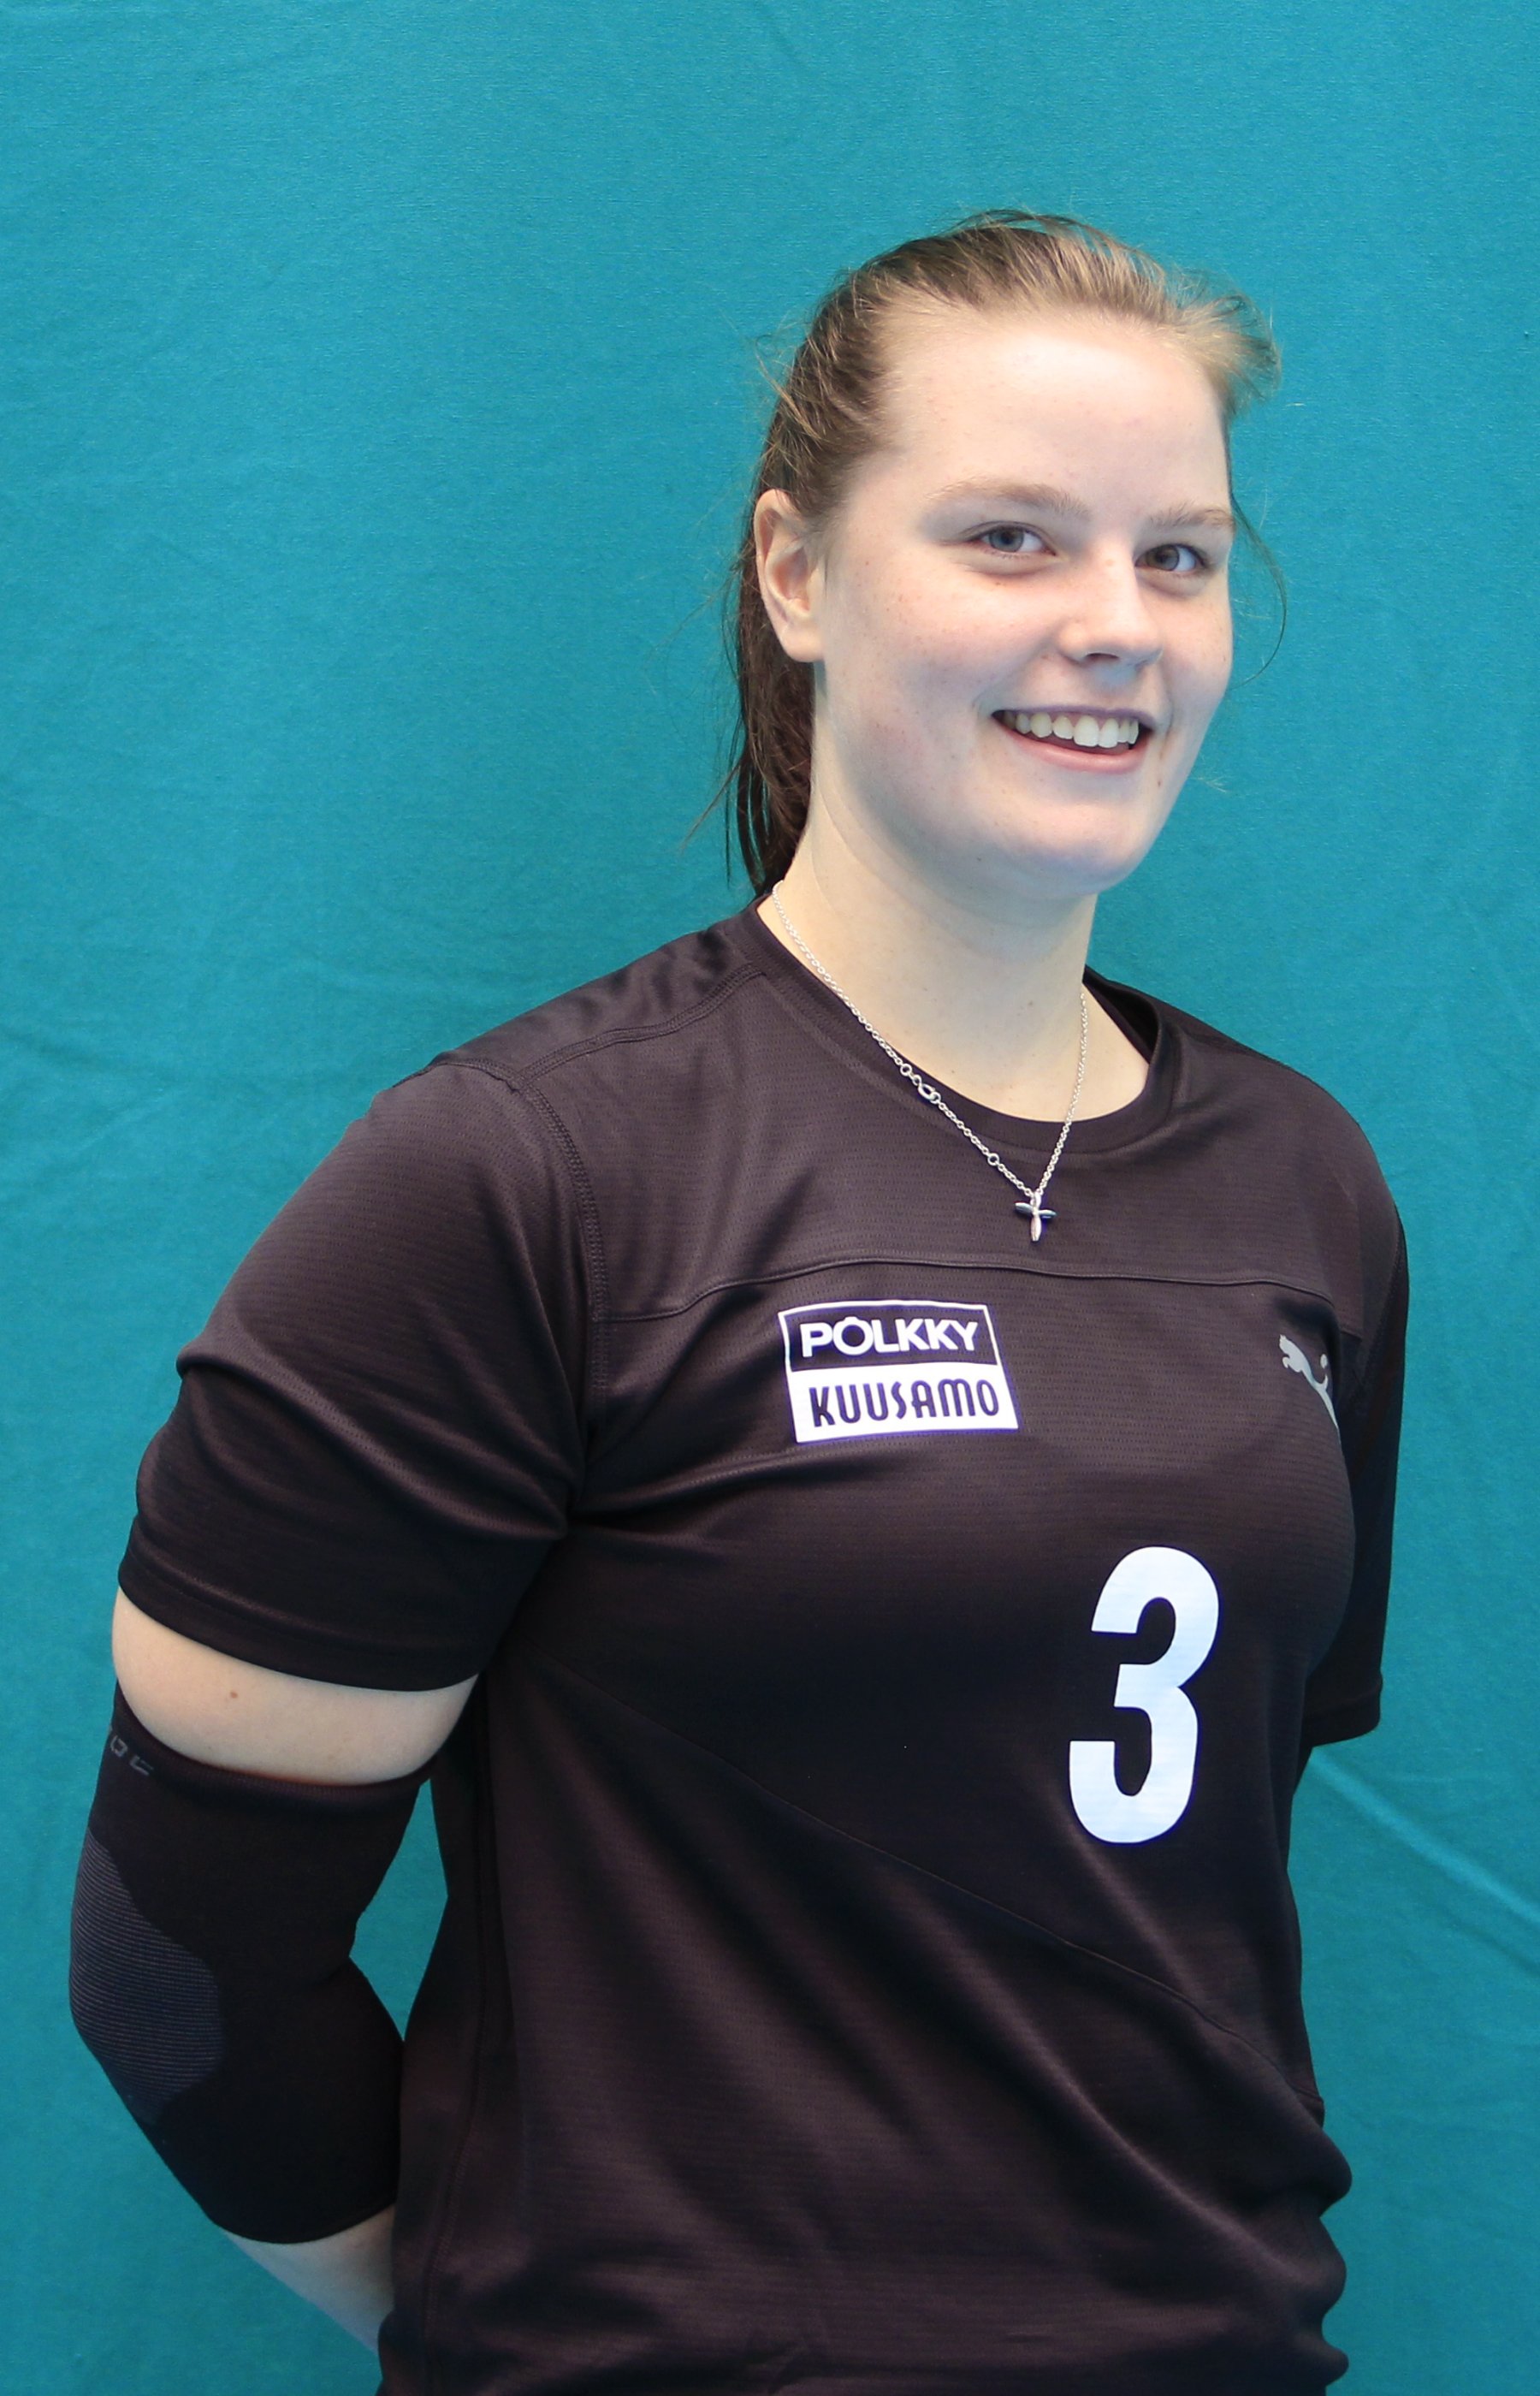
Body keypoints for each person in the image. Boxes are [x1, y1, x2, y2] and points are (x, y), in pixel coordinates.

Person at [71, 211, 1407, 2394]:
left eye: (1180, 555)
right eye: (1010, 535)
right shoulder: (527, 1176)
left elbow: (1163, 1862)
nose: (1116, 622)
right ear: (797, 572)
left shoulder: (1304, 1189)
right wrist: (521, 2321)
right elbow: (178, 1965)